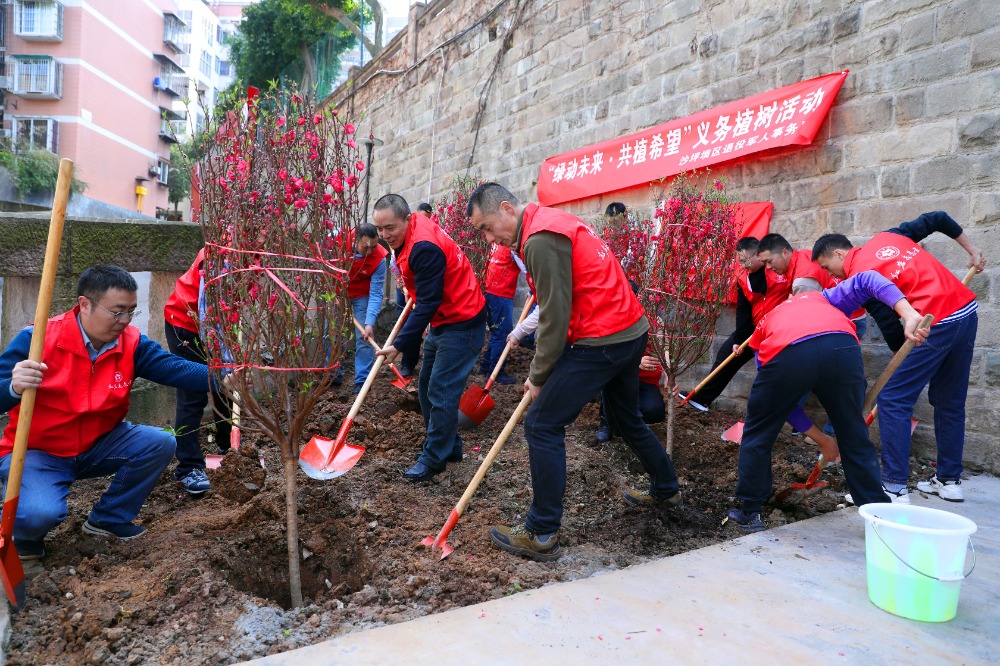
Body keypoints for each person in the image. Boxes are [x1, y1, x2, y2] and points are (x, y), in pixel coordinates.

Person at [467, 183, 682, 561]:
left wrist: (538, 375)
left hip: (603, 337)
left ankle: (541, 531)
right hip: (629, 329)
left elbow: (554, 314)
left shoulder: (538, 239)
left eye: (487, 227)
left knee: (541, 425)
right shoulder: (550, 220)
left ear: (506, 209)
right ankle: (665, 484)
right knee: (625, 417)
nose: (489, 239)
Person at [0, 265, 215, 559]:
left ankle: (108, 518)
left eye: (131, 311)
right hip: (38, 452)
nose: (125, 320)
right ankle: (24, 540)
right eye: (117, 312)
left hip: (99, 445)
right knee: (40, 512)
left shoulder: (132, 344)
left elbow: (175, 369)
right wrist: (12, 387)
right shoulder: (36, 341)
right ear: (85, 304)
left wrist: (223, 378)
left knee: (161, 441)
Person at [728, 271, 929, 532]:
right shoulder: (827, 300)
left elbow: (781, 404)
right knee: (854, 432)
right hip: (842, 347)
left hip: (787, 353)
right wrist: (909, 313)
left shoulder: (769, 317)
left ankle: (750, 512)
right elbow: (868, 279)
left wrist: (820, 439)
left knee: (758, 431)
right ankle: (879, 518)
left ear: (790, 296)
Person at [812, 211, 985, 503]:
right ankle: (949, 481)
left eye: (829, 267)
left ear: (840, 253)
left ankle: (892, 488)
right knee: (949, 400)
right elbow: (937, 218)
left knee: (893, 400)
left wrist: (903, 361)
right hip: (966, 313)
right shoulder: (889, 236)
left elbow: (892, 326)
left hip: (935, 322)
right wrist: (972, 250)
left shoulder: (861, 280)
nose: (832, 276)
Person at [373, 195, 487, 481]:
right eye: (380, 230)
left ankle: (434, 457)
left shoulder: (423, 247)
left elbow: (428, 302)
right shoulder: (413, 230)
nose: (385, 236)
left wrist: (398, 345)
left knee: (441, 390)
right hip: (445, 319)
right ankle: (450, 448)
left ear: (408, 219)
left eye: (390, 228)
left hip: (462, 322)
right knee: (426, 387)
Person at [679, 236, 787, 412]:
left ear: (757, 255)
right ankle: (702, 399)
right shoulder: (744, 279)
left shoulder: (778, 271)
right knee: (728, 352)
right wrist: (739, 339)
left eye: (745, 260)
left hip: (779, 329)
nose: (743, 264)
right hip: (755, 328)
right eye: (739, 260)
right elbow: (743, 311)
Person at [164, 249, 233, 495]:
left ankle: (229, 449)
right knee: (193, 394)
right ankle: (188, 466)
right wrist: (226, 360)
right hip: (186, 324)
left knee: (227, 388)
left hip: (221, 325)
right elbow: (207, 316)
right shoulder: (219, 256)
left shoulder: (254, 252)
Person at [342, 223, 387, 393]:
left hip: (362, 295)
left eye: (374, 247)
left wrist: (369, 323)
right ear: (354, 241)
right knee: (331, 334)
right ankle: (333, 376)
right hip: (338, 293)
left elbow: (376, 294)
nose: (370, 252)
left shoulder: (379, 259)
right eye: (365, 247)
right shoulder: (338, 245)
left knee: (364, 337)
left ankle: (362, 381)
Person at [479, 243, 525, 384]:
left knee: (496, 332)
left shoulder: (496, 242)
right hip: (500, 293)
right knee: (502, 333)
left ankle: (485, 366)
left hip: (489, 291)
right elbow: (526, 268)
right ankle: (496, 372)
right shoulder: (512, 246)